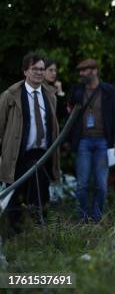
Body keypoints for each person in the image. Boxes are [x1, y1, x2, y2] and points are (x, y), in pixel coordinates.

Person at [0, 53, 60, 233]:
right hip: (18, 154)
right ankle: (14, 236)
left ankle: (38, 235)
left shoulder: (51, 96)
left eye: (42, 69)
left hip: (42, 154)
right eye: (35, 69)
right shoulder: (10, 95)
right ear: (26, 71)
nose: (39, 72)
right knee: (15, 196)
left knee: (41, 196)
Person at [68, 58, 115, 222]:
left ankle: (97, 217)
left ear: (95, 71)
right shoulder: (77, 90)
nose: (82, 74)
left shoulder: (108, 91)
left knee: (101, 185)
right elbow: (69, 113)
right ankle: (83, 217)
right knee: (82, 184)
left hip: (102, 142)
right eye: (81, 71)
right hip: (83, 140)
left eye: (85, 70)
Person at [43, 57, 67, 124]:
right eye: (50, 70)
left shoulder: (55, 90)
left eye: (55, 71)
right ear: (43, 71)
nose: (54, 73)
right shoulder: (36, 89)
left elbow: (63, 115)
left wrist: (60, 92)